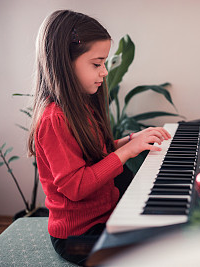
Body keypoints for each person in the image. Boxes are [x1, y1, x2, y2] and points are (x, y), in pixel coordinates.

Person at [27, 10, 171, 265]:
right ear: (63, 63)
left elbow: (92, 156)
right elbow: (77, 186)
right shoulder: (53, 120)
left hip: (105, 216)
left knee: (164, 227)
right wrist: (125, 153)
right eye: (97, 64)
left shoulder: (82, 105)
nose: (104, 72)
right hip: (77, 237)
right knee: (154, 252)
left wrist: (129, 142)